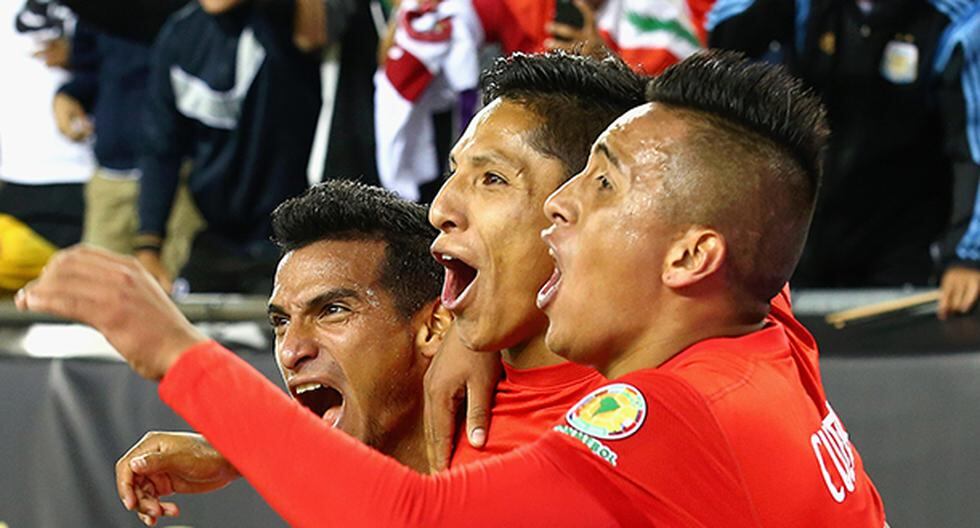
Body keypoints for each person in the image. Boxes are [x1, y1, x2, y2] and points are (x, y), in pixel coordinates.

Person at [18, 50, 887, 526]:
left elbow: (410, 517)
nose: (564, 208)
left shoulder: (661, 417)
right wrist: (475, 327)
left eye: (599, 184)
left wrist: (176, 351)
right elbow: (728, 194)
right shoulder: (758, 327)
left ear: (687, 256)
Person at [116, 180, 448, 524]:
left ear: (434, 326)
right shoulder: (339, 495)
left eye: (333, 310)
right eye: (281, 322)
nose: (292, 350)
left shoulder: (501, 461)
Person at [425, 50, 648, 468]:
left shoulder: (702, 361)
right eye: (452, 173)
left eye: (492, 179)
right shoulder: (432, 398)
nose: (439, 209)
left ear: (579, 207)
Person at [708, 0, 980, 318]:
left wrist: (968, 256)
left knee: (885, 362)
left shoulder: (958, 19)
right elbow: (724, 33)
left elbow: (973, 147)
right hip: (800, 228)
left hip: (904, 239)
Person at [135, 0, 340, 294]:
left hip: (294, 239)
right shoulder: (179, 34)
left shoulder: (285, 26)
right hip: (216, 239)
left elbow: (312, 33)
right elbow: (161, 148)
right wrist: (148, 246)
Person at [54, 21, 203, 277]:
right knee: (97, 298)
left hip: (181, 179)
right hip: (110, 177)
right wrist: (70, 95)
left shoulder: (193, 16)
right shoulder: (98, 11)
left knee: (174, 299)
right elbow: (92, 68)